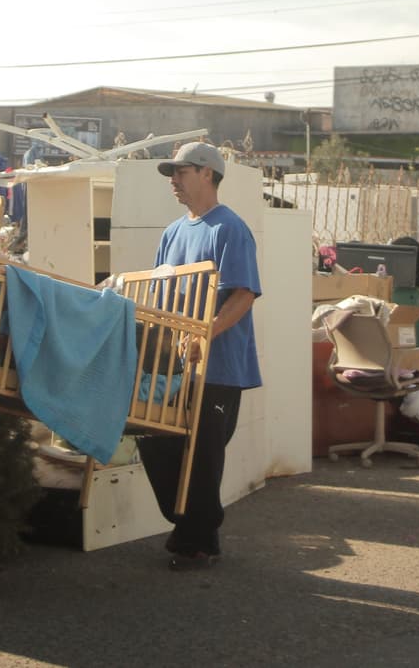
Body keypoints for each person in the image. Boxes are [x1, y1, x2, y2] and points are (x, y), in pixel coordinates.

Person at [137, 141, 262, 571]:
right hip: (171, 366)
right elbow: (157, 295)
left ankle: (197, 541)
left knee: (203, 454)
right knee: (153, 438)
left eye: (182, 171)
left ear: (208, 174)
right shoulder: (172, 233)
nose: (174, 179)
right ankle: (188, 526)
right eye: (172, 172)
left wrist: (205, 333)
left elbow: (244, 294)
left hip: (218, 366)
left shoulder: (229, 228)